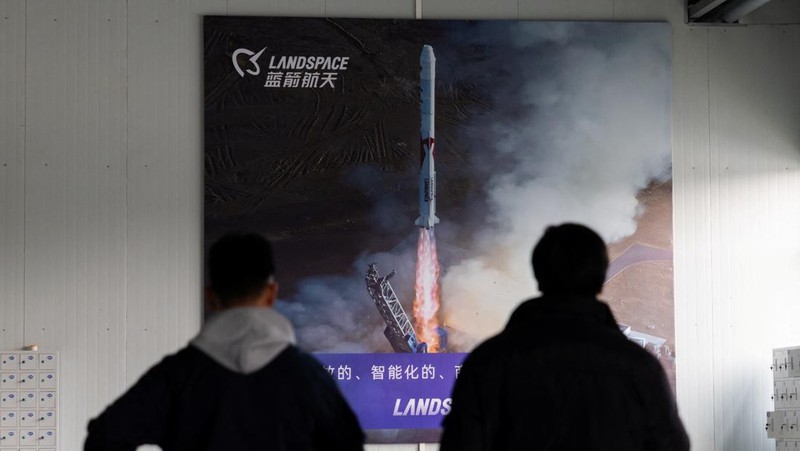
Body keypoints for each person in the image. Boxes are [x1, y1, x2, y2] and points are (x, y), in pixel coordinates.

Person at [85, 233, 365, 450]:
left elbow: (106, 435)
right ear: (270, 293)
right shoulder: (307, 376)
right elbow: (346, 443)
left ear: (211, 296)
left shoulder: (177, 376)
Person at [440, 223, 690, 451]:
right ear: (601, 279)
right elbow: (670, 445)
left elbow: (460, 444)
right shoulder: (639, 367)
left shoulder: (488, 361)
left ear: (538, 276)